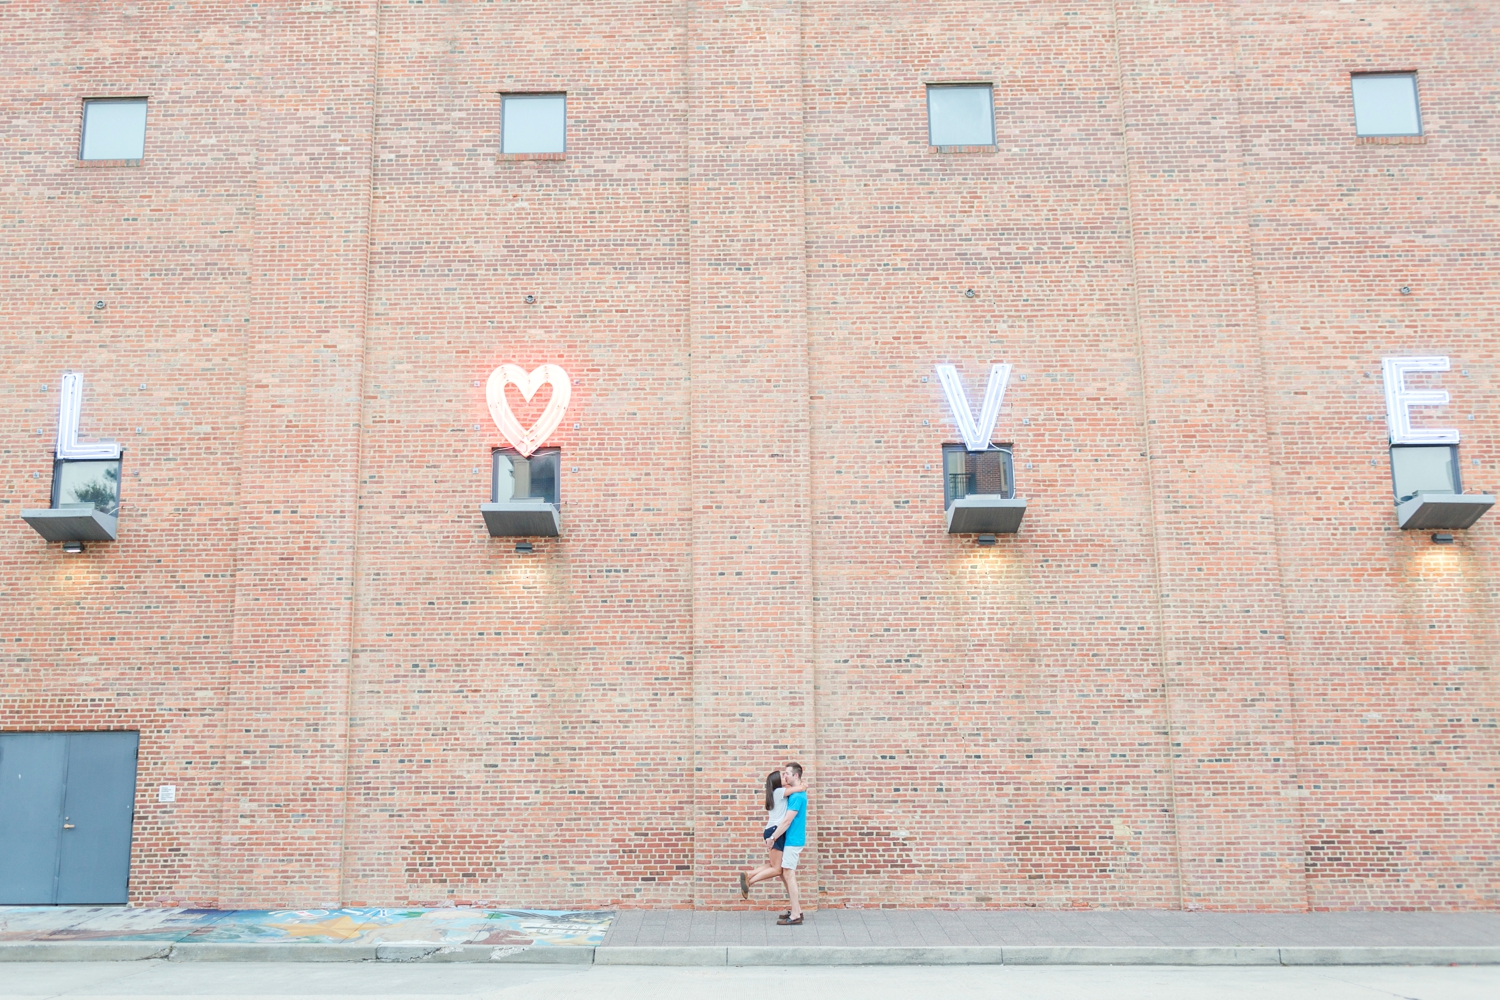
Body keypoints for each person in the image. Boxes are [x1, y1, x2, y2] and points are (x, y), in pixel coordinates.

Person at [766, 762, 807, 925]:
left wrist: (772, 838)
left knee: (788, 875)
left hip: (792, 840)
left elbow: (787, 821)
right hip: (791, 839)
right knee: (785, 874)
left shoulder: (796, 796)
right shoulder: (795, 793)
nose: (785, 776)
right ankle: (797, 910)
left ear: (795, 775)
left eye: (787, 773)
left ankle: (796, 915)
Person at [739, 770, 787, 900]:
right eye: (783, 775)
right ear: (777, 781)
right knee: (777, 869)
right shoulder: (778, 792)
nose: (785, 777)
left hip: (772, 829)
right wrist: (803, 785)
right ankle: (750, 879)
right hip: (774, 831)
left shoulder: (775, 793)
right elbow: (799, 788)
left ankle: (749, 874)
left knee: (774, 865)